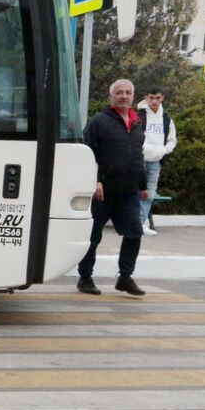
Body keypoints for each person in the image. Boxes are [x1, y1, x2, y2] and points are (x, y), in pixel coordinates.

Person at [77, 79, 147, 297]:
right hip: (102, 192)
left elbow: (138, 155)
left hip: (128, 191)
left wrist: (143, 185)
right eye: (119, 92)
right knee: (93, 236)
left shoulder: (137, 123)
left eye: (128, 92)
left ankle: (125, 278)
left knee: (134, 233)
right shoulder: (99, 121)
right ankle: (85, 277)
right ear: (111, 96)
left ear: (133, 96)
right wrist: (95, 180)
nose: (123, 96)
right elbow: (86, 152)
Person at [137, 88, 177, 236]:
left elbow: (172, 139)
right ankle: (134, 222)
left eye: (157, 98)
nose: (154, 101)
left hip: (156, 160)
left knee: (150, 192)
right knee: (136, 190)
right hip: (139, 158)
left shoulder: (166, 118)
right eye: (151, 98)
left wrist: (164, 150)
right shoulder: (139, 115)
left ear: (162, 98)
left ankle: (141, 222)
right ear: (146, 98)